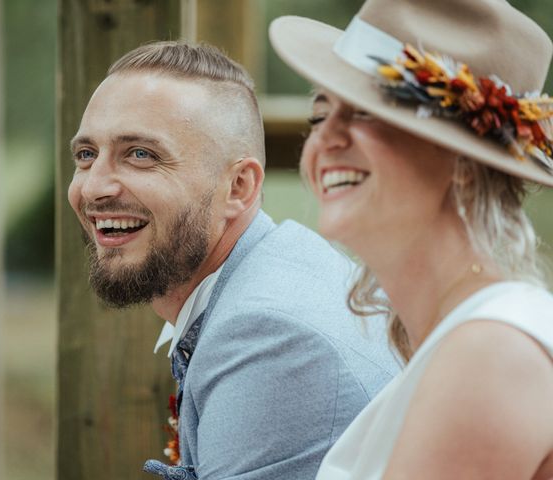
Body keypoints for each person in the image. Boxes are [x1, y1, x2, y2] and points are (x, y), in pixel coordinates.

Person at [67, 41, 399, 480]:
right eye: (86, 155)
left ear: (239, 186)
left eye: (141, 155)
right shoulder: (284, 269)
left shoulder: (272, 339)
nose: (94, 188)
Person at [269, 0, 553, 478]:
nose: (327, 139)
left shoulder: (490, 352)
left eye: (367, 113)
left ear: (463, 162)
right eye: (320, 114)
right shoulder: (454, 342)